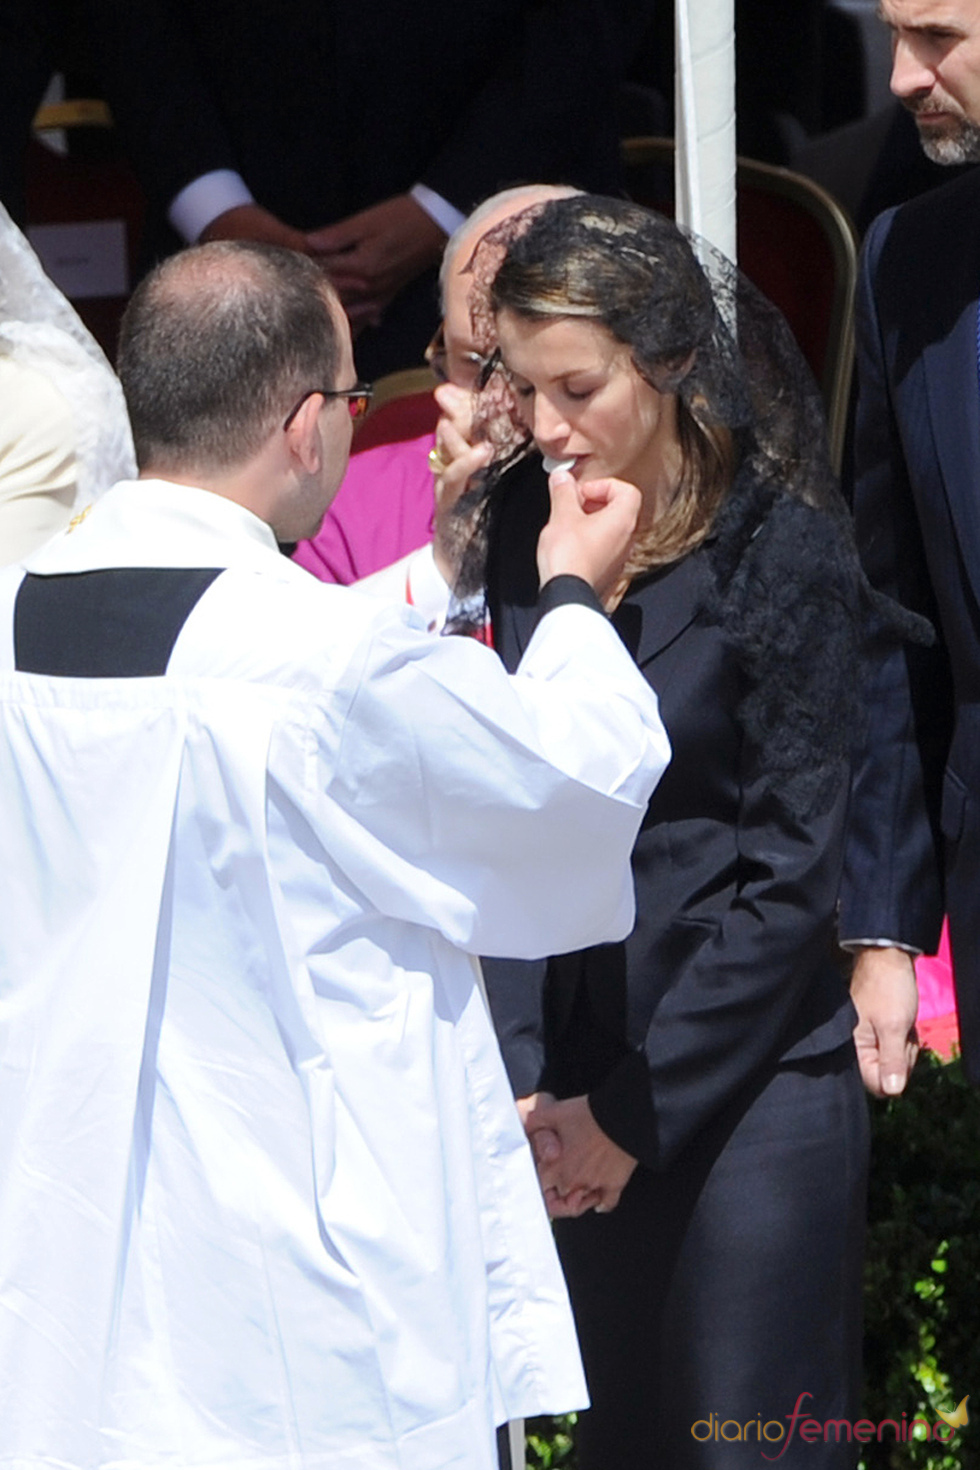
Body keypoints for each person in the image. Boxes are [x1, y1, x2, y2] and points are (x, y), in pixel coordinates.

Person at [0, 239, 672, 1470]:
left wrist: (444, 566)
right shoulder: (312, 666)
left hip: (76, 1252)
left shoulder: (23, 609)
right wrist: (573, 596)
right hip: (292, 1286)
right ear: (309, 425)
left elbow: (247, 660)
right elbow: (565, 789)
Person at [450, 194, 881, 1467]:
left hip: (742, 1102)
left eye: (574, 386)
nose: (542, 426)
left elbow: (788, 880)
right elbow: (518, 818)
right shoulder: (536, 543)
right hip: (575, 1096)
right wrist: (531, 1079)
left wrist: (624, 1117)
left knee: (741, 1444)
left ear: (675, 360)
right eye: (519, 388)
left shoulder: (780, 545)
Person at [82, 0, 651, 375]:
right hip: (223, 255)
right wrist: (218, 212)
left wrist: (444, 210)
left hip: (507, 225)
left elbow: (588, 24)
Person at [837, 0, 980, 1097]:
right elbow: (895, 612)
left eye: (934, 38)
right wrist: (884, 925)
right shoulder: (906, 259)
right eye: (892, 34)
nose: (897, 76)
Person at [292, 183, 580, 590]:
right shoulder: (356, 507)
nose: (499, 401)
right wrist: (441, 567)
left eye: (532, 372)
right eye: (475, 363)